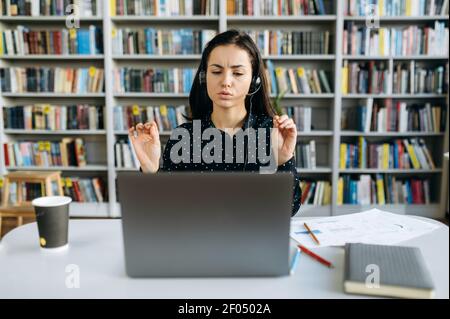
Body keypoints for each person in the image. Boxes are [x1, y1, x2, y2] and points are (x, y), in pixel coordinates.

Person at [129, 29, 302, 216]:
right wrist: (151, 171)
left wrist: (284, 161)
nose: (226, 81)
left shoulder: (270, 132)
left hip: (252, 241)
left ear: (254, 80)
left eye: (237, 73)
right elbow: (164, 210)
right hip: (197, 241)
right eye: (217, 71)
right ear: (205, 77)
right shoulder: (185, 136)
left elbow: (287, 210)